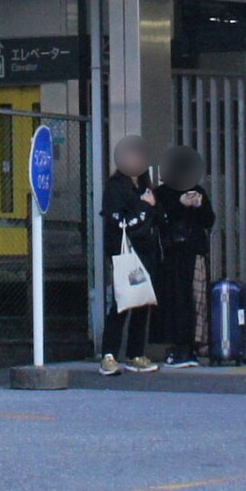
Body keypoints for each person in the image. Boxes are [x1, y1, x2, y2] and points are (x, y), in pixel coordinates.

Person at [98, 138, 163, 375]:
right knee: (121, 302)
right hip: (124, 254)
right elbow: (122, 222)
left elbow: (157, 218)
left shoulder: (147, 187)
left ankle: (136, 354)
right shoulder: (115, 187)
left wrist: (152, 206)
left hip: (146, 252)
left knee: (143, 301)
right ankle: (108, 355)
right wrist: (145, 207)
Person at [154, 149, 216, 368]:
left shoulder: (198, 191)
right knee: (175, 301)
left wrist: (199, 205)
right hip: (172, 255)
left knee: (196, 301)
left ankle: (193, 345)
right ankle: (175, 347)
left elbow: (209, 220)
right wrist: (180, 203)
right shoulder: (162, 193)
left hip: (194, 252)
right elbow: (158, 218)